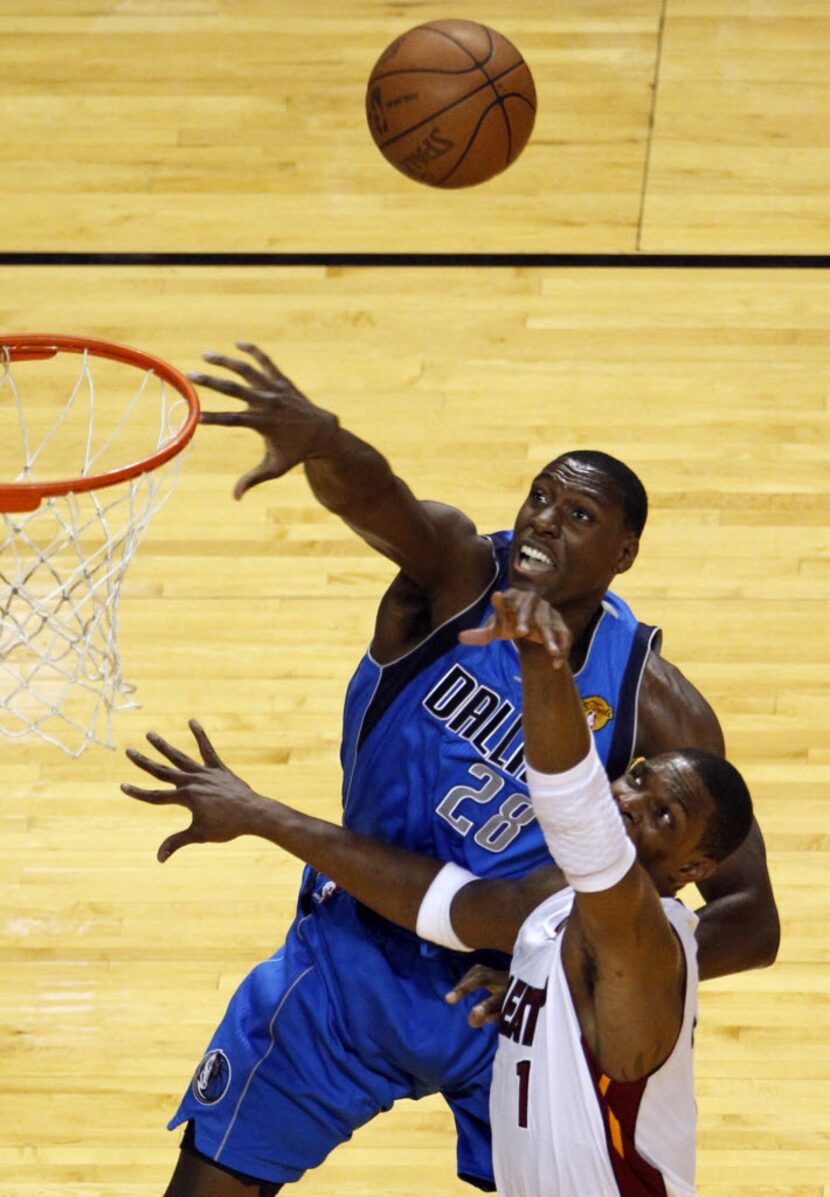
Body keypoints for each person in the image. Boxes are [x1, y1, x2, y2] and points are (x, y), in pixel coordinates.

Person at [143, 342, 777, 1195]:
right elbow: (383, 503)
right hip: (357, 950)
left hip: (508, 998)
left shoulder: (657, 708)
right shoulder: (451, 576)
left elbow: (749, 914)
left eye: (579, 513)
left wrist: (586, 965)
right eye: (541, 495)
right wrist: (327, 445)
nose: (546, 518)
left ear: (626, 552)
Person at [122, 587, 756, 1197]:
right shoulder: (560, 916)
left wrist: (540, 658)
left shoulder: (637, 930)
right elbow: (442, 903)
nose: (630, 804)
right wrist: (259, 814)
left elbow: (572, 800)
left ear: (694, 868)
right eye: (637, 778)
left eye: (664, 816)